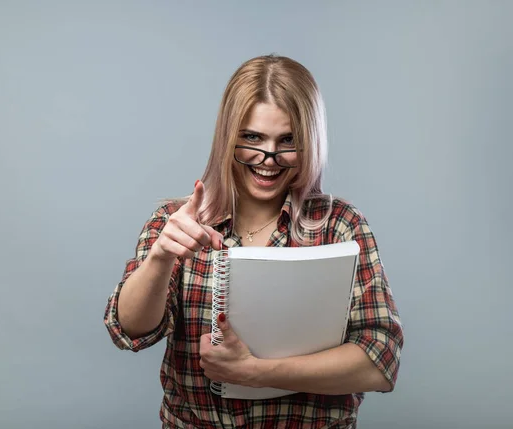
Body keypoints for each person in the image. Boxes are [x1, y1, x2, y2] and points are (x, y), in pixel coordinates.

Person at [104, 54, 404, 429]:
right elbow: (128, 330)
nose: (268, 159)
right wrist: (162, 257)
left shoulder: (340, 226)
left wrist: (255, 372)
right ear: (228, 137)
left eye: (288, 140)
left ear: (310, 143)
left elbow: (380, 360)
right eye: (252, 138)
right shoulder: (176, 221)